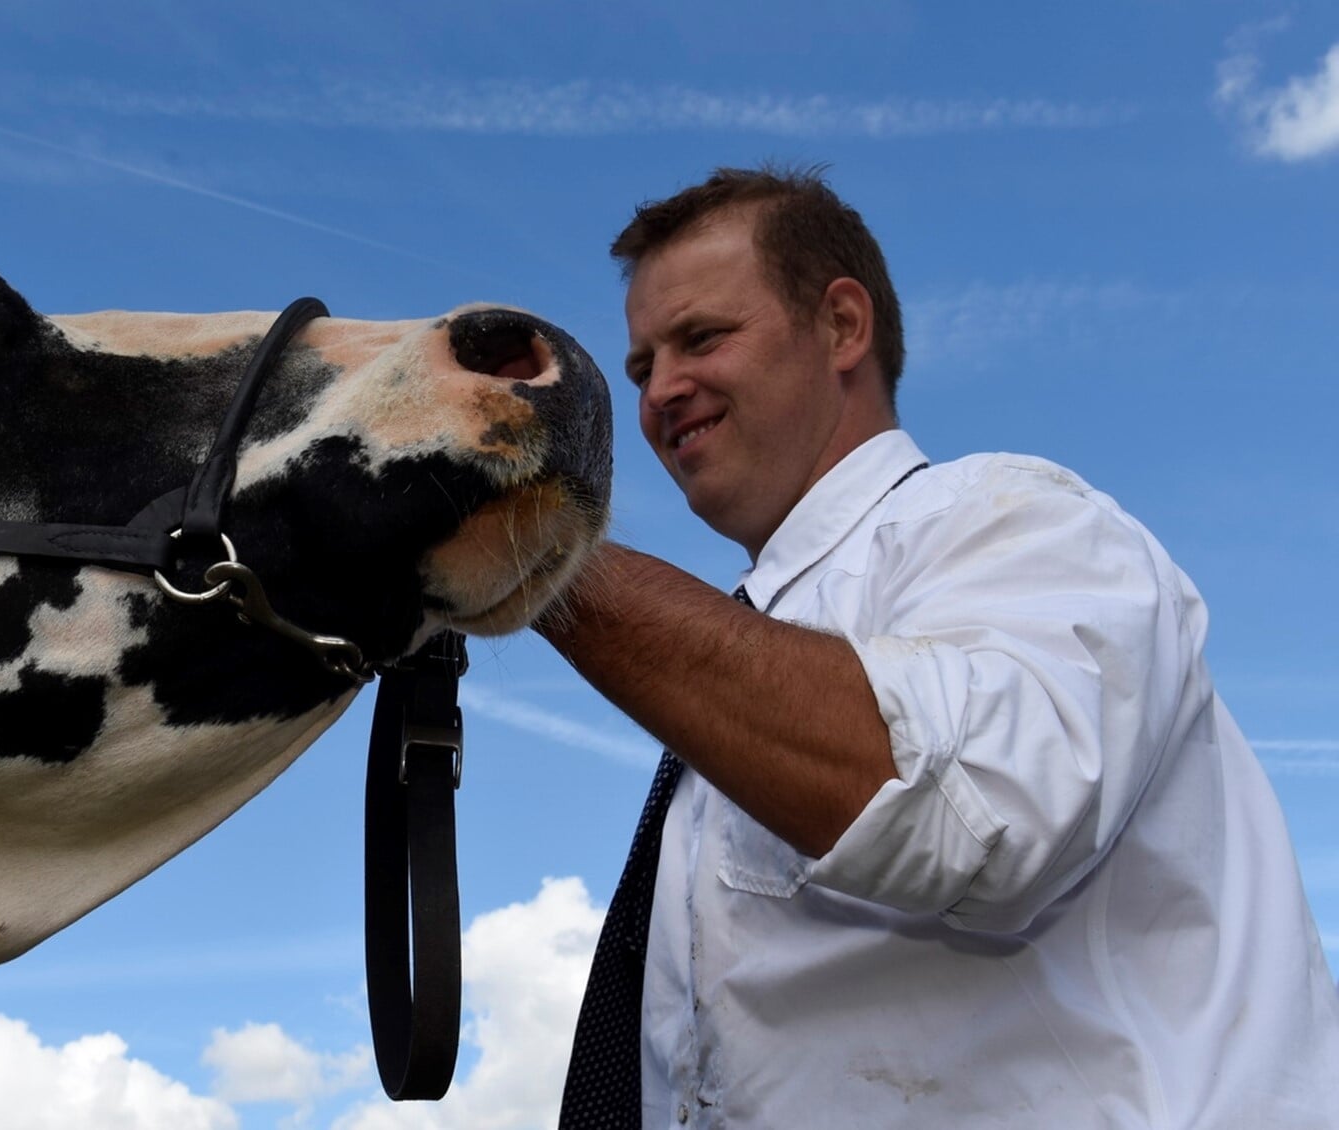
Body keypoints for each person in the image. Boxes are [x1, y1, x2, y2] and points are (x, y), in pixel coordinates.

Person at [538, 166, 1339, 1128]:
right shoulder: (730, 674)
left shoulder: (1018, 521)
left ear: (842, 325)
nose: (663, 389)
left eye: (702, 337)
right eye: (640, 366)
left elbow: (970, 804)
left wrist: (524, 554)